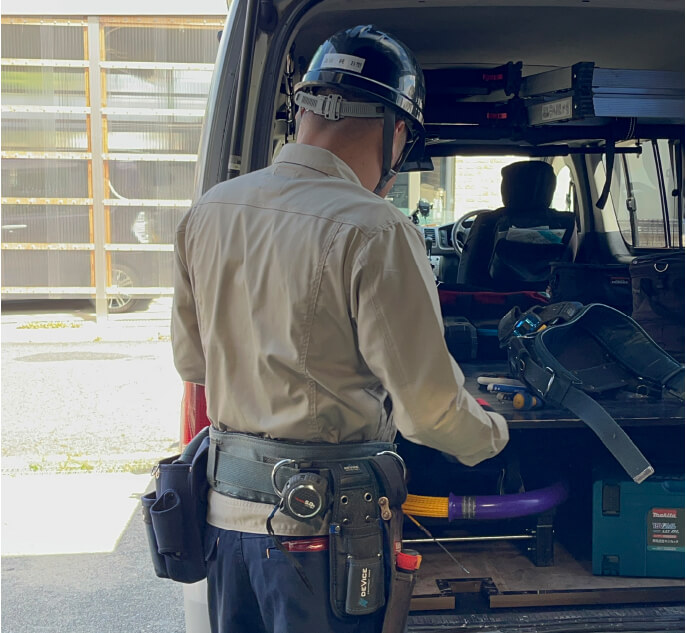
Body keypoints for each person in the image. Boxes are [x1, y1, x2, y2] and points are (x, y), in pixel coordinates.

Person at [171, 24, 508, 633]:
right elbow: (430, 414)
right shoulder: (374, 228)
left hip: (226, 523)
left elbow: (194, 367)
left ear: (302, 109)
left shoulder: (208, 211)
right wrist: (491, 437)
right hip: (323, 534)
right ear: (397, 130)